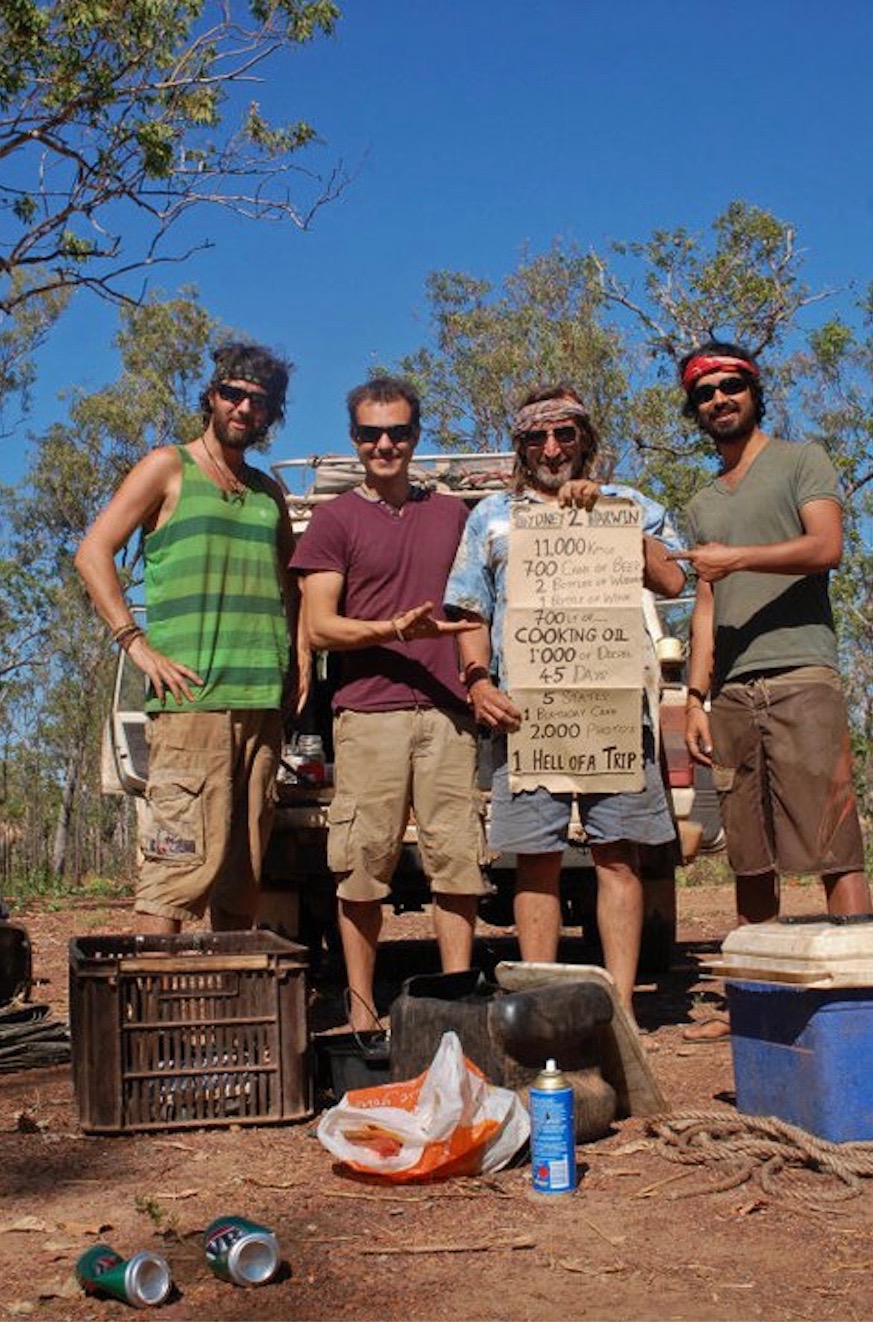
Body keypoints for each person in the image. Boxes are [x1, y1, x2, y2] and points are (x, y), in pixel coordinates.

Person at [444, 384, 686, 1028]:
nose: (551, 448)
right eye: (535, 438)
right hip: (526, 714)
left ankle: (622, 1005)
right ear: (521, 446)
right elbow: (469, 607)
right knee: (537, 858)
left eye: (564, 434)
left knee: (618, 854)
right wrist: (476, 681)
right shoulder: (491, 516)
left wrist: (611, 518)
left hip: (612, 708)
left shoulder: (630, 504)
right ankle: (545, 998)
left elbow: (674, 579)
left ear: (586, 439)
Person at [676, 340, 870, 1040]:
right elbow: (703, 602)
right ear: (693, 409)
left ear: (755, 391)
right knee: (748, 853)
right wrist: (695, 696)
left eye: (731, 386)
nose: (719, 399)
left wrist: (740, 557)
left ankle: (856, 997)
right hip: (728, 692)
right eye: (704, 392)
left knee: (832, 842)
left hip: (800, 677)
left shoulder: (800, 460)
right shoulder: (700, 501)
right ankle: (753, 1003)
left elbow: (825, 547)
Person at [75, 342, 302, 935]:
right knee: (176, 874)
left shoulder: (266, 494)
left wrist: (296, 664)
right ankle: (155, 1018)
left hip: (261, 707)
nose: (244, 408)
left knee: (243, 872)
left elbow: (293, 587)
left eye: (260, 401)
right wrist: (135, 642)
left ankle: (225, 1012)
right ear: (211, 395)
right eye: (233, 393)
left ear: (270, 415)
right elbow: (92, 552)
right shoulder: (167, 468)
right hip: (191, 704)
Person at [289, 376, 487, 1031]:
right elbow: (319, 626)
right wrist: (394, 630)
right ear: (353, 440)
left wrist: (479, 679)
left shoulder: (453, 514)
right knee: (362, 864)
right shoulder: (335, 518)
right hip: (366, 712)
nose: (384, 444)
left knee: (455, 861)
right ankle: (363, 1010)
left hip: (446, 713)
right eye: (371, 434)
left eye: (398, 432)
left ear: (415, 436)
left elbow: (471, 609)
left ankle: (456, 1000)